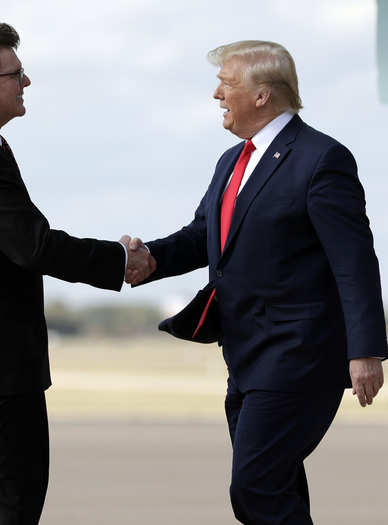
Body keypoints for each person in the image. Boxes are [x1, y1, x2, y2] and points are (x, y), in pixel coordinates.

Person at [0, 20, 154, 525]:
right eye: (16, 74)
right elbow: (32, 246)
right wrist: (120, 262)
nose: (26, 83)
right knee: (12, 499)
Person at [129, 40, 386, 524]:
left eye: (226, 84)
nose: (216, 95)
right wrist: (147, 260)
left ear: (263, 95)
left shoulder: (321, 159)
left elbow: (355, 263)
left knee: (256, 487)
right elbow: (204, 235)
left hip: (301, 356)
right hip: (246, 354)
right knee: (276, 487)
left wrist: (365, 350)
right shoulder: (231, 161)